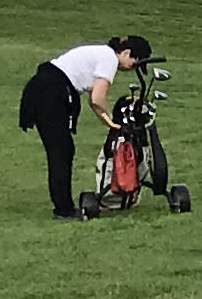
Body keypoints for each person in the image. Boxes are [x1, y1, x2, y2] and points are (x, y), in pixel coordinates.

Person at [18, 33, 147, 218]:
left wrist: (109, 122)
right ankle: (64, 210)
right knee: (61, 151)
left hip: (44, 88)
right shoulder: (109, 58)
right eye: (134, 63)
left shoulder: (102, 53)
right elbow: (97, 99)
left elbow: (94, 102)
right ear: (126, 53)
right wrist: (112, 121)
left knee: (62, 150)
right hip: (51, 92)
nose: (131, 69)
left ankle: (63, 206)